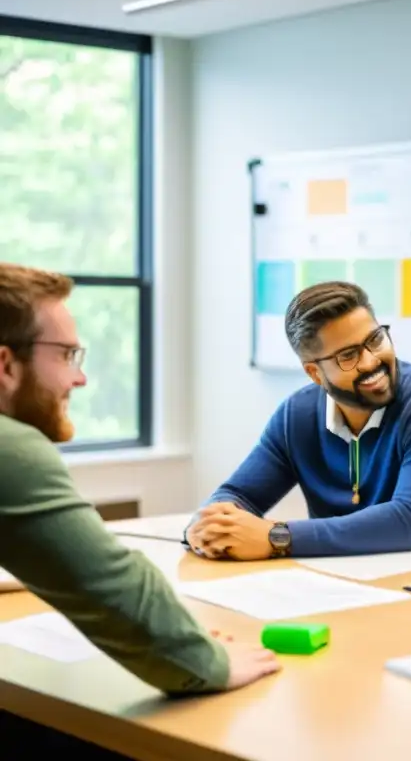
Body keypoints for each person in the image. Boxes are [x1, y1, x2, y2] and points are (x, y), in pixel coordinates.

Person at [0, 263, 280, 751]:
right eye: (66, 355)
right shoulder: (11, 450)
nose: (80, 378)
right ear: (5, 364)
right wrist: (207, 661)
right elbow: (113, 589)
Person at [186, 281, 411, 560]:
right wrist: (206, 528)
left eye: (376, 340)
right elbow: (239, 495)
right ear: (314, 373)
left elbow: (410, 523)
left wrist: (275, 537)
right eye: (347, 356)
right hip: (351, 587)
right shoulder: (297, 416)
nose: (371, 361)